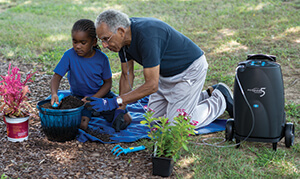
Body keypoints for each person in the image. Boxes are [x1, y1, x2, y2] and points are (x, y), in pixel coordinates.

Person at [88, 9, 233, 129]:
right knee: (153, 121)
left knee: (175, 126)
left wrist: (115, 102)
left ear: (120, 31)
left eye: (106, 39)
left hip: (189, 71)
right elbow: (127, 75)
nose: (104, 45)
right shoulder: (122, 42)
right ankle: (205, 94)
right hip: (165, 75)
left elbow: (151, 85)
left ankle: (220, 98)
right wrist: (121, 109)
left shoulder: (146, 36)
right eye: (102, 40)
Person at [50, 19, 132, 132]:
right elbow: (56, 77)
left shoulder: (102, 59)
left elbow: (108, 83)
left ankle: (99, 110)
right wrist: (54, 93)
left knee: (126, 119)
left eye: (83, 43)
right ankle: (94, 112)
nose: (78, 46)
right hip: (79, 98)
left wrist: (95, 98)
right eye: (75, 42)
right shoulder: (69, 56)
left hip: (102, 95)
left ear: (93, 42)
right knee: (83, 125)